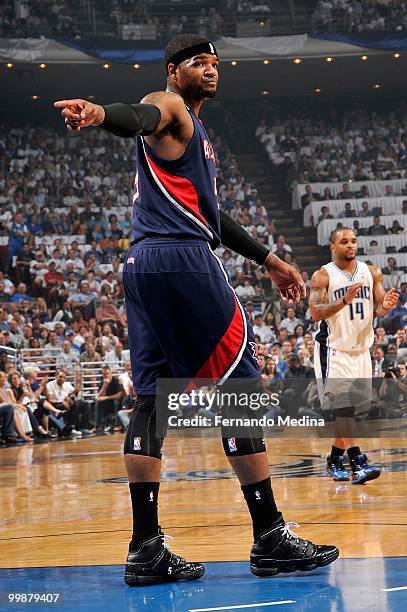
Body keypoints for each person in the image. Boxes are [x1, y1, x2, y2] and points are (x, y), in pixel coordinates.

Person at [55, 33, 337, 586]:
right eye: (197, 63)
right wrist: (97, 114)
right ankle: (270, 534)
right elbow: (137, 114)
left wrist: (271, 260)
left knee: (151, 401)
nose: (210, 70)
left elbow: (213, 217)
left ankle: (145, 547)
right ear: (173, 70)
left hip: (142, 266)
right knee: (240, 387)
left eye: (214, 63)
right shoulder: (171, 107)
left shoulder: (194, 136)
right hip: (182, 261)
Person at [309, 227, 399, 483]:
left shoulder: (371, 272)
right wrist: (343, 301)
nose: (351, 245)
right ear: (333, 247)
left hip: (361, 351)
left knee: (348, 414)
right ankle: (358, 462)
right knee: (344, 409)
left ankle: (335, 458)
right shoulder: (323, 275)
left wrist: (386, 306)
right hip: (334, 350)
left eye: (354, 241)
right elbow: (315, 313)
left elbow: (379, 309)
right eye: (344, 241)